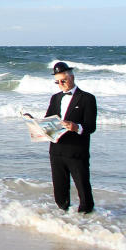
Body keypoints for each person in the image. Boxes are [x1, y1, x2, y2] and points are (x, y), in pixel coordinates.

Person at [46, 61, 97, 213]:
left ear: (72, 77)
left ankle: (88, 218)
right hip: (56, 150)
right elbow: (48, 120)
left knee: (83, 188)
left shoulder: (87, 98)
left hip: (76, 150)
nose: (61, 84)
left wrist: (76, 127)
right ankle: (63, 218)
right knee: (60, 189)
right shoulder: (55, 98)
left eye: (64, 80)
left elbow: (91, 127)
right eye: (58, 82)